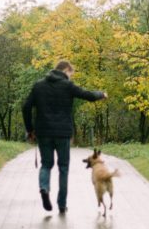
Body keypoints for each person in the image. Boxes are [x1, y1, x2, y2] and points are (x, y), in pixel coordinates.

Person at [22, 60, 108, 213]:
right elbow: (87, 95)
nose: (70, 77)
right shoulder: (67, 86)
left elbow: (26, 107)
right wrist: (101, 94)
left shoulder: (38, 85)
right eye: (70, 74)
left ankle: (44, 188)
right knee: (63, 168)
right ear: (66, 70)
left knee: (46, 164)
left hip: (43, 132)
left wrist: (30, 129)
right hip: (62, 133)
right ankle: (62, 204)